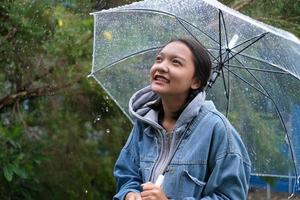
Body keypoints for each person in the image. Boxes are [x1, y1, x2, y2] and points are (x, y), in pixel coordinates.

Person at [113, 38, 251, 200]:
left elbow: (229, 196)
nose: (161, 66)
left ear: (196, 81)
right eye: (159, 59)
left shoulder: (217, 129)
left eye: (176, 62)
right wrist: (130, 194)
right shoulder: (145, 123)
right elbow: (126, 174)